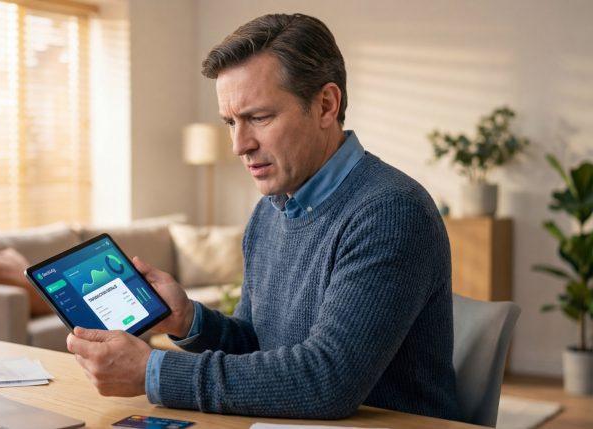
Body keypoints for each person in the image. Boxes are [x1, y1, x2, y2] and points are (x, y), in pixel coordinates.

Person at [67, 13, 461, 421]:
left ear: (326, 105)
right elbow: (260, 345)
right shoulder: (271, 210)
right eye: (230, 122)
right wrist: (188, 319)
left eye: (259, 117)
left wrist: (153, 371)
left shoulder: (390, 211)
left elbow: (327, 381)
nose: (239, 145)